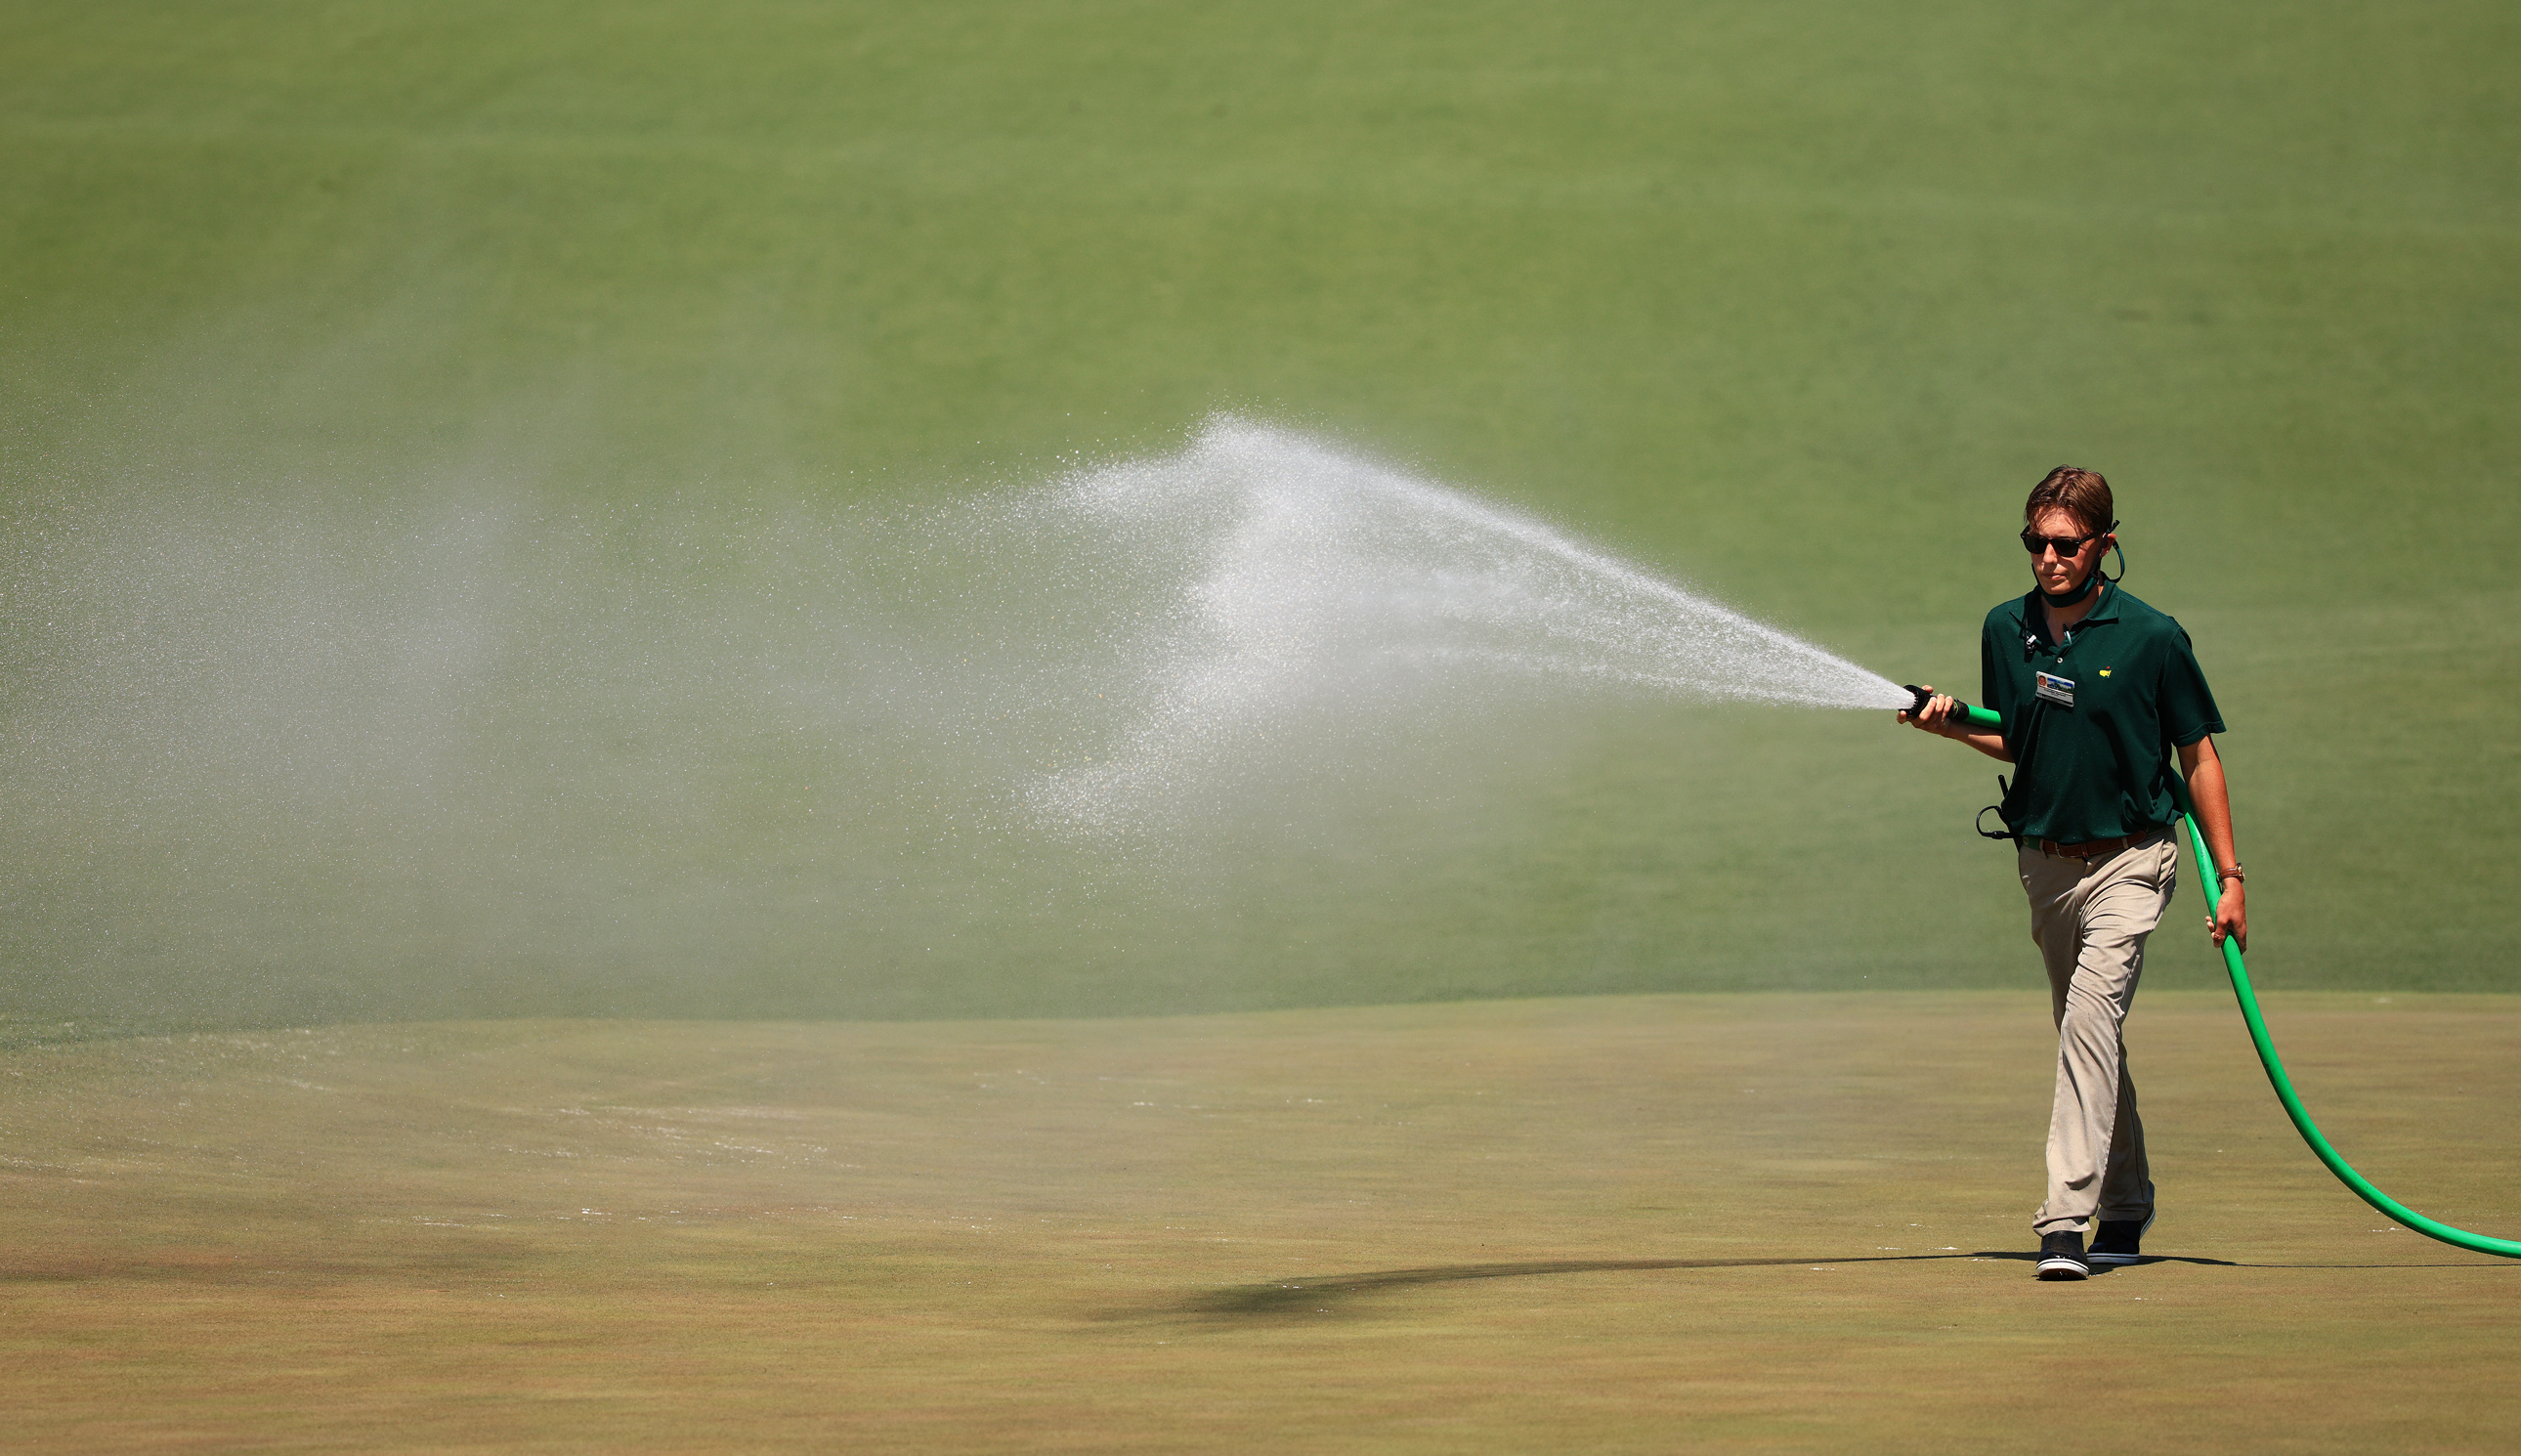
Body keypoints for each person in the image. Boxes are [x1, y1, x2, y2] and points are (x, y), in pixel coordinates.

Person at [1899, 466, 2247, 1280]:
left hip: (2132, 857)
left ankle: (2064, 1221)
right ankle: (2128, 1201)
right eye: (2036, 543)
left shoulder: (2154, 637)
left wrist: (2229, 877)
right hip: (2045, 865)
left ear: (2104, 546)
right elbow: (2018, 735)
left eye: (2066, 543)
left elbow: (2197, 755)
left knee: (2089, 1024)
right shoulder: (2004, 627)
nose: (2049, 558)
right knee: (2088, 1033)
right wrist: (1949, 726)